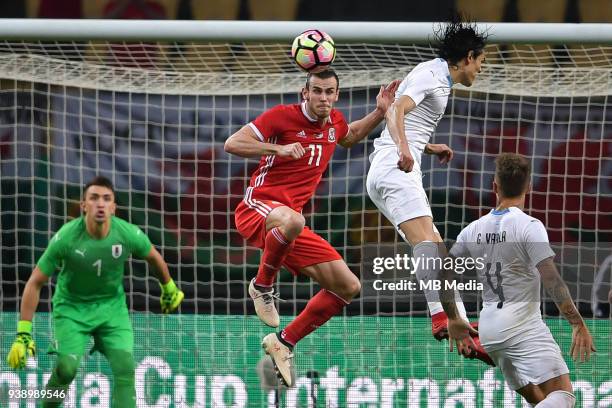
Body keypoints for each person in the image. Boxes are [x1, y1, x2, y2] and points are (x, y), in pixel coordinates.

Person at [225, 69, 399, 387]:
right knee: (294, 220)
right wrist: (279, 149)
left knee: (348, 286)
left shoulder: (334, 123)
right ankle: (262, 286)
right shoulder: (282, 116)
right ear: (304, 93)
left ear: (336, 95)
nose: (322, 97)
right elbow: (233, 143)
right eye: (316, 91)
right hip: (257, 208)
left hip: (288, 225)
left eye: (328, 92)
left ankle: (284, 341)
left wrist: (379, 111)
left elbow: (350, 136)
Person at [365, 18, 493, 364]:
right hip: (395, 168)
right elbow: (396, 109)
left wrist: (427, 146)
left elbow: (411, 119)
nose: (481, 69)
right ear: (468, 57)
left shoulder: (438, 77)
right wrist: (406, 149)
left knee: (438, 250)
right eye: (481, 61)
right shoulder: (432, 74)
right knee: (430, 249)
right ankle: (445, 317)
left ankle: (458, 326)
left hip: (391, 167)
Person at [6, 176, 184, 407]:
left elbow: (154, 257)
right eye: (94, 198)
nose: (100, 203)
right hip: (71, 309)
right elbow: (34, 282)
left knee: (125, 368)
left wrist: (168, 287)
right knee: (66, 370)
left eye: (106, 199)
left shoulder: (127, 233)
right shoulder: (66, 237)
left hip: (112, 309)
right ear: (83, 205)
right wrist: (23, 333)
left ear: (113, 207)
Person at [441, 153, 596, 407]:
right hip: (522, 326)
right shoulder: (529, 226)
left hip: (490, 331)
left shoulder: (473, 228)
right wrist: (577, 323)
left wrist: (453, 317)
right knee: (563, 395)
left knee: (540, 400)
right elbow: (552, 279)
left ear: (494, 186)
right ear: (529, 186)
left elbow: (443, 272)